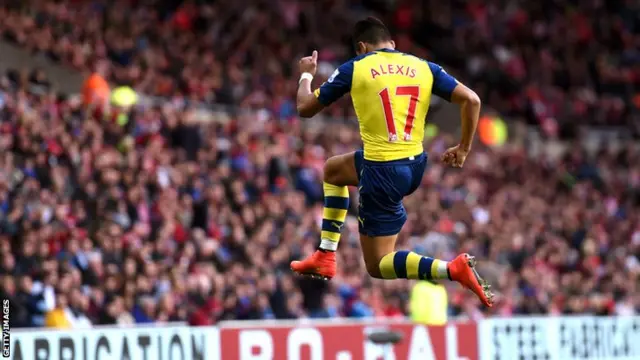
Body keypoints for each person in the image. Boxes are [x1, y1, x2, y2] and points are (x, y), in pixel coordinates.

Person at [291, 17, 493, 307]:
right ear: (393, 45)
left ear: (362, 47)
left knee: (378, 264)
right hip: (414, 165)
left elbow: (304, 108)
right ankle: (325, 254)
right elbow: (472, 100)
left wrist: (306, 76)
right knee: (334, 170)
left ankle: (451, 269)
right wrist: (463, 148)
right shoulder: (424, 67)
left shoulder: (356, 67)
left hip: (382, 171)